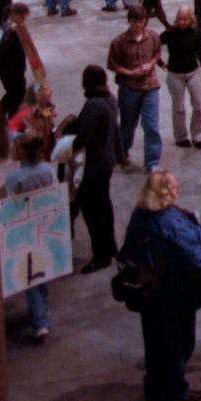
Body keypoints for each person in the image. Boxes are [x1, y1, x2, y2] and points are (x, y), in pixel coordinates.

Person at [120, 170, 201, 401]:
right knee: (180, 343)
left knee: (154, 342)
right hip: (175, 294)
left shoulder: (139, 216)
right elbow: (195, 259)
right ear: (163, 192)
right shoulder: (171, 222)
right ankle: (175, 391)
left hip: (149, 294)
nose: (178, 187)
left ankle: (154, 386)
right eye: (172, 186)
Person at [0, 133, 59, 343]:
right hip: (45, 226)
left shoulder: (15, 178)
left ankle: (40, 322)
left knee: (29, 275)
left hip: (23, 230)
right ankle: (42, 310)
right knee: (43, 269)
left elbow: (9, 203)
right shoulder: (48, 170)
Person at [70, 64, 121, 272]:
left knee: (92, 212)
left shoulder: (94, 105)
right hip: (107, 162)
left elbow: (83, 137)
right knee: (104, 206)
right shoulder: (110, 99)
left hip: (93, 167)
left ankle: (100, 256)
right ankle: (110, 246)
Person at [107, 6, 164, 173]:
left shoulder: (152, 37)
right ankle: (123, 154)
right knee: (128, 125)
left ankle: (152, 161)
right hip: (129, 88)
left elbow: (157, 53)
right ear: (129, 21)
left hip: (150, 86)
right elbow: (113, 64)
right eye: (135, 21)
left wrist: (151, 65)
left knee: (151, 125)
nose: (138, 25)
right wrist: (131, 72)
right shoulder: (119, 42)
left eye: (141, 21)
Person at [158, 4, 201, 150]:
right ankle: (181, 136)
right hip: (175, 74)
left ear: (190, 19)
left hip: (193, 72)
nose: (182, 22)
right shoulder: (170, 33)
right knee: (178, 107)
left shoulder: (196, 33)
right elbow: (153, 46)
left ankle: (199, 135)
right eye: (180, 19)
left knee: (198, 104)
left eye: (185, 19)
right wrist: (160, 63)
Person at [0, 2, 42, 117]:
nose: (23, 20)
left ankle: (7, 115)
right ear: (14, 14)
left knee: (15, 94)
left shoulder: (6, 27)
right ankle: (1, 115)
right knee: (16, 94)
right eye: (22, 17)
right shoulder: (10, 31)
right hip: (10, 70)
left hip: (10, 68)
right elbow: (7, 48)